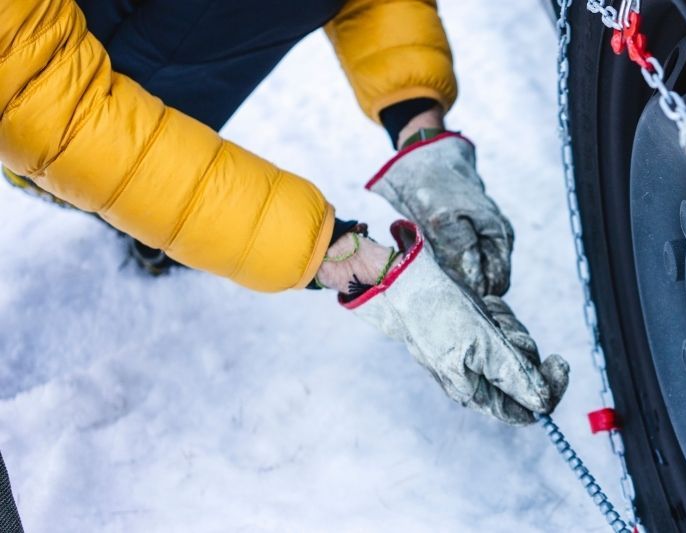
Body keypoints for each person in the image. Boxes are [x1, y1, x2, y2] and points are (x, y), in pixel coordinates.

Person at [0, 0, 568, 426]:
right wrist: (343, 256)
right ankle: (143, 212)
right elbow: (59, 114)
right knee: (109, 152)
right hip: (51, 120)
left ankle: (160, 212)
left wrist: (421, 133)